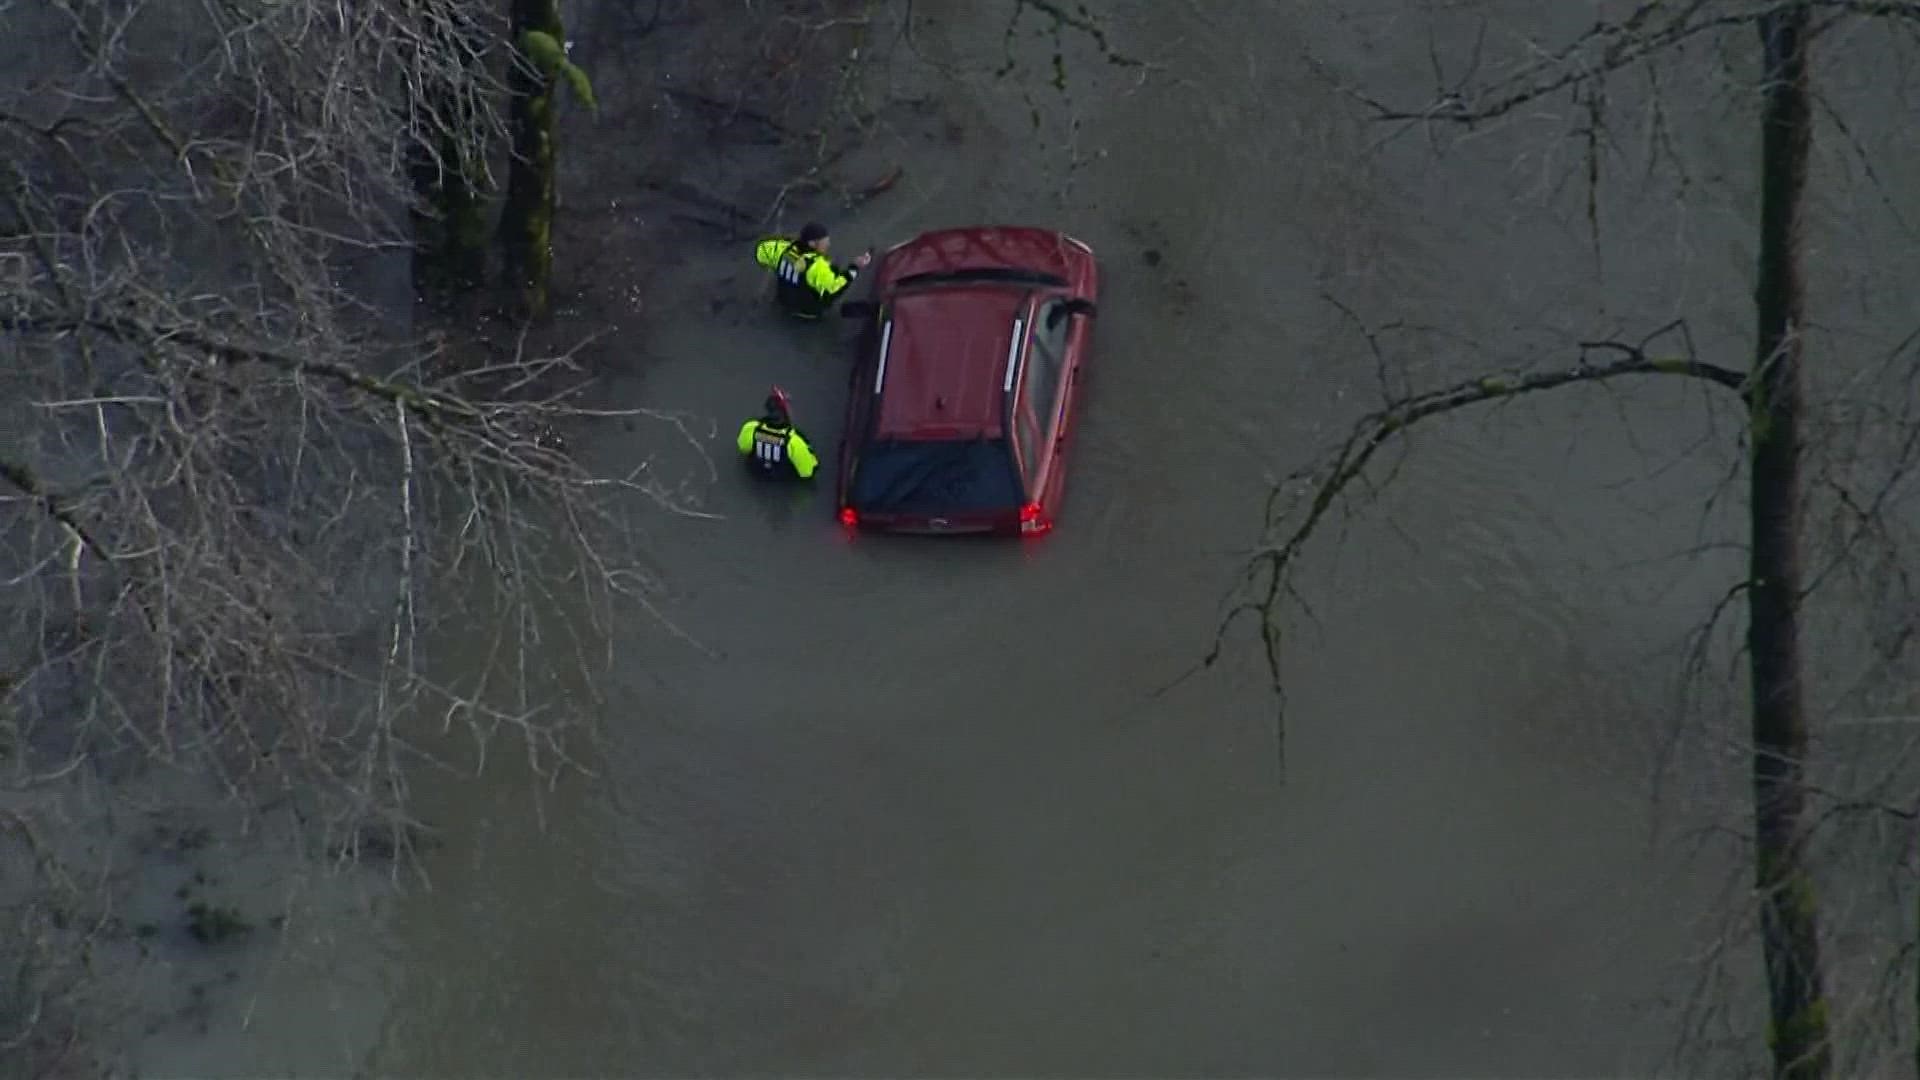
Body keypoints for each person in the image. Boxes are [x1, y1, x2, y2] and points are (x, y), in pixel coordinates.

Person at [752, 222, 871, 319]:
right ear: (812, 243)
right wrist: (854, 268)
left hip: (784, 300)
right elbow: (834, 288)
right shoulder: (816, 266)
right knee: (832, 277)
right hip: (807, 311)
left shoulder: (785, 249)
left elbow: (761, 250)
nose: (828, 244)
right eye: (824, 242)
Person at [737, 387, 818, 480]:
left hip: (755, 475)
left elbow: (743, 448)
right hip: (783, 483)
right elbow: (806, 472)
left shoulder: (751, 428)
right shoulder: (794, 441)